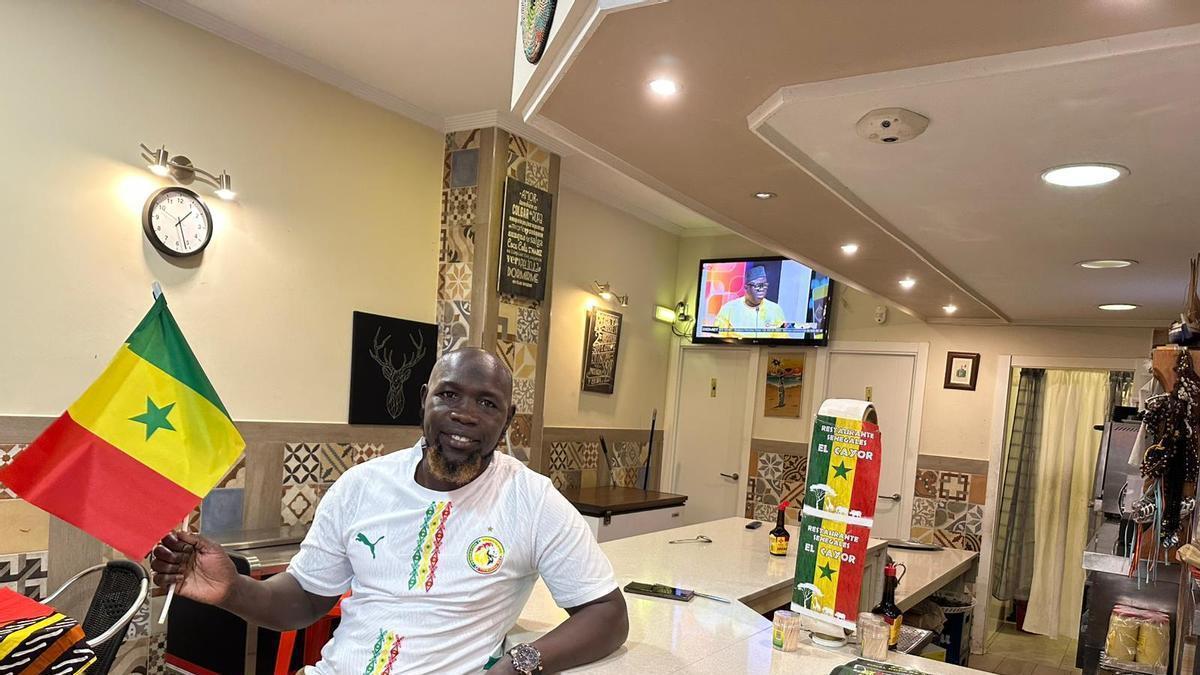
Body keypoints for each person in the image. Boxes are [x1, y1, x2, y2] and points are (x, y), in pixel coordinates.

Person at [149, 348, 628, 674]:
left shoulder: (533, 500)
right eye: (449, 395)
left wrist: (517, 664)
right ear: (424, 399)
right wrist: (232, 589)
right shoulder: (361, 486)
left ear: (506, 422)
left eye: (487, 403)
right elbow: (301, 601)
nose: (465, 414)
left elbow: (607, 614)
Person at [714, 265, 787, 334]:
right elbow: (717, 337)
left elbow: (782, 338)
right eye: (757, 286)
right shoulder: (729, 309)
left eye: (764, 285)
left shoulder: (775, 309)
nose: (762, 289)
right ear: (746, 288)